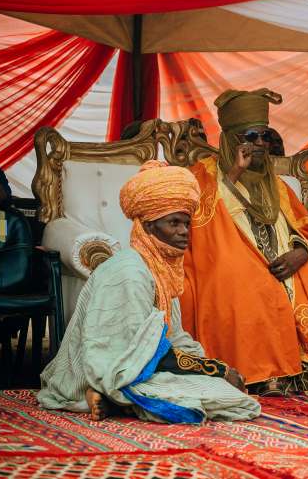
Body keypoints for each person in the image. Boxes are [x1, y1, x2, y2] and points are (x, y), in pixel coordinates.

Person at [181, 89, 308, 396]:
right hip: (232, 255)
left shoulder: (275, 182)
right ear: (233, 138)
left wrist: (301, 252)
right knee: (244, 275)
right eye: (252, 137)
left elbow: (305, 228)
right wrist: (234, 174)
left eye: (265, 136)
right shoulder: (203, 175)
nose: (261, 144)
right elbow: (205, 223)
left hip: (286, 259)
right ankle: (266, 371)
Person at [38, 161, 259, 423]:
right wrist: (217, 371)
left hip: (141, 364)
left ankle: (113, 401)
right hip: (108, 368)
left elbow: (172, 337)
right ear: (148, 226)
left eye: (186, 223)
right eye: (174, 223)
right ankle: (108, 395)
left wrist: (206, 368)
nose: (184, 232)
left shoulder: (162, 270)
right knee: (230, 401)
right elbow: (126, 353)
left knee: (226, 394)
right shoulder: (129, 271)